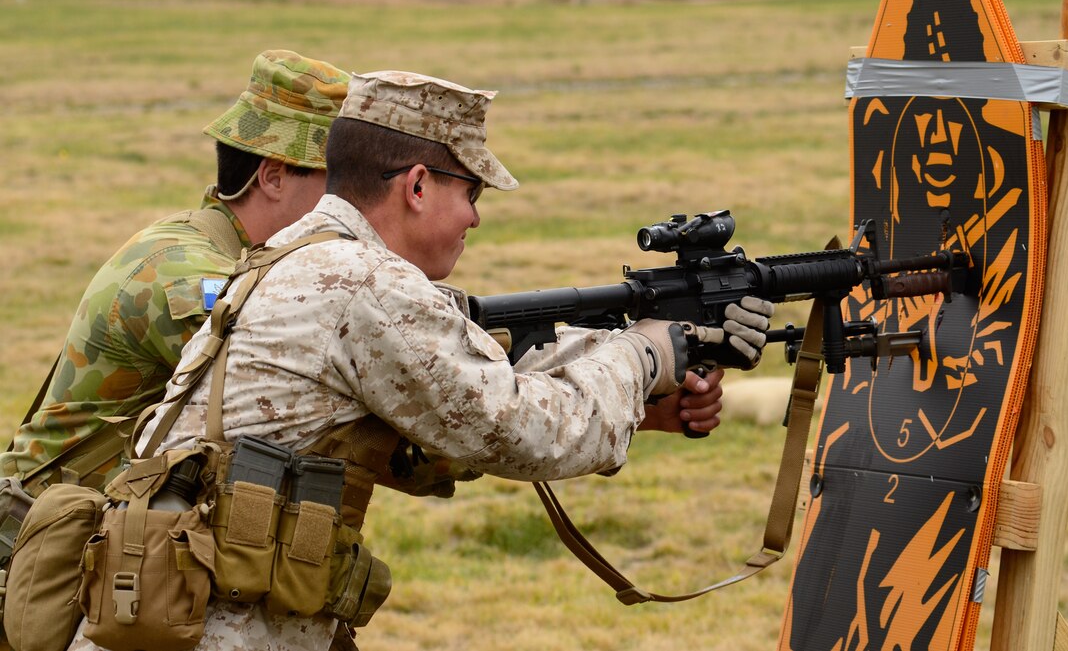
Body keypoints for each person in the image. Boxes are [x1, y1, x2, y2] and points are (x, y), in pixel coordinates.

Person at [75, 70, 773, 651]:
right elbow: (522, 429)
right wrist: (642, 354)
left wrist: (653, 367)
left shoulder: (301, 257)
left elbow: (477, 368)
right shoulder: (362, 286)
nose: (475, 217)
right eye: (470, 193)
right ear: (416, 185)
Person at [0, 49, 350, 493]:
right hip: (46, 546)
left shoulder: (242, 258)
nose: (350, 201)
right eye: (338, 181)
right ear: (274, 178)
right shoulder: (183, 275)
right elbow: (301, 395)